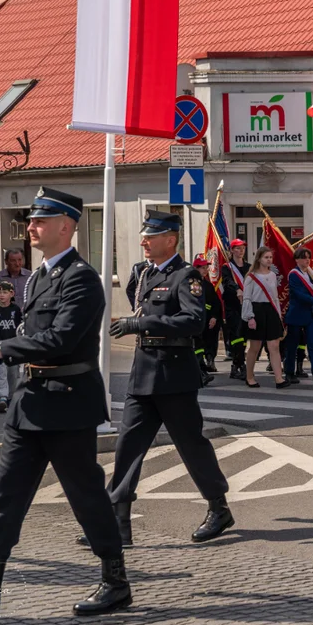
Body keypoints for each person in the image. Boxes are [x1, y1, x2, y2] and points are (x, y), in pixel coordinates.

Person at [0, 187, 130, 619]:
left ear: (66, 226)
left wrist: (1, 349)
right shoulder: (39, 276)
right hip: (29, 403)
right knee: (4, 497)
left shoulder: (82, 278)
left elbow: (62, 339)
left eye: (39, 220)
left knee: (86, 496)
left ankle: (115, 582)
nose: (30, 227)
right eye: (30, 220)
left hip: (67, 405)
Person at [98, 210, 233, 549]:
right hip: (143, 373)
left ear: (170, 239)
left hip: (174, 373)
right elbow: (141, 304)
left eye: (151, 235)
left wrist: (139, 325)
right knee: (127, 446)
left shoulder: (184, 276)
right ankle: (118, 521)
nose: (143, 241)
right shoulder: (143, 274)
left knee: (191, 445)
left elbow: (192, 322)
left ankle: (219, 507)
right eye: (144, 235)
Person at [243, 247, 289, 389]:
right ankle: (249, 377)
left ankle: (279, 378)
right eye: (266, 257)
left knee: (274, 346)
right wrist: (249, 316)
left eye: (270, 257)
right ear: (259, 259)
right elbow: (247, 298)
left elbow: (275, 297)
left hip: (271, 310)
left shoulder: (273, 276)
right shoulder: (251, 277)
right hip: (257, 311)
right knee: (255, 347)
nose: (269, 260)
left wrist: (279, 314)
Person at [286, 247, 313, 384]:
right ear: (297, 260)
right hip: (297, 314)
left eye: (308, 257)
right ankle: (289, 372)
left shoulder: (311, 274)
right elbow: (298, 294)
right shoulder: (294, 274)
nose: (307, 260)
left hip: (310, 314)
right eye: (304, 257)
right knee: (292, 345)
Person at [0, 281, 22, 414]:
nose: (1, 295)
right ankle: (2, 397)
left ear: (11, 294)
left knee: (13, 373)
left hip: (13, 344)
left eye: (5, 292)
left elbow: (20, 327)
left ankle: (11, 397)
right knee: (1, 371)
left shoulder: (16, 310)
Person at [221, 238, 250, 379]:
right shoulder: (227, 267)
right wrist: (237, 289)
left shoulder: (248, 267)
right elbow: (227, 282)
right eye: (237, 248)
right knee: (236, 335)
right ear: (232, 250)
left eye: (243, 248)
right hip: (233, 305)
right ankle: (241, 365)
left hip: (246, 305)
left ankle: (235, 365)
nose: (241, 251)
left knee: (243, 336)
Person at [190, 255, 220, 387]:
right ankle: (201, 373)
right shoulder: (190, 284)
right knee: (197, 348)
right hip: (193, 321)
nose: (205, 270)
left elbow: (215, 303)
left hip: (205, 321)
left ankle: (202, 372)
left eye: (206, 267)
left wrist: (213, 316)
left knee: (201, 347)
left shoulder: (207, 285)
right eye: (202, 268)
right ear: (195, 268)